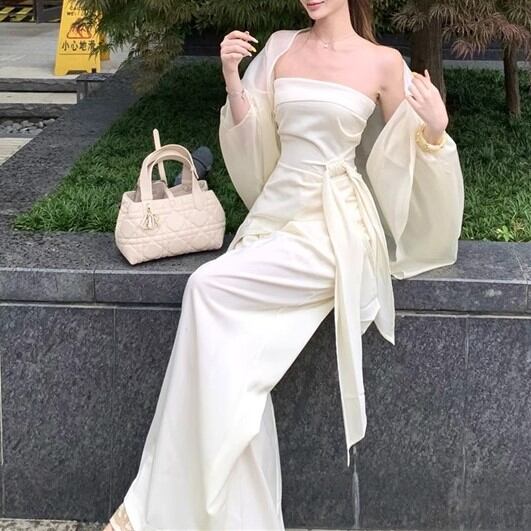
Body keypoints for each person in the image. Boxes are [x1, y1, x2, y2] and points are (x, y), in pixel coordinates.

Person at [103, 0, 464, 529]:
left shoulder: (384, 62)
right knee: (236, 368)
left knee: (206, 287)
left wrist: (435, 130)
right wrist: (232, 77)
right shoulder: (279, 47)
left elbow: (402, 156)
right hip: (275, 214)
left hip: (334, 228)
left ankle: (148, 513)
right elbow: (253, 139)